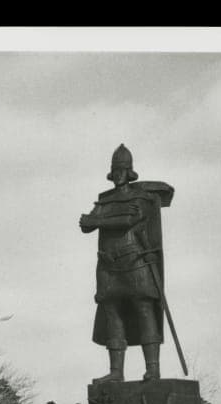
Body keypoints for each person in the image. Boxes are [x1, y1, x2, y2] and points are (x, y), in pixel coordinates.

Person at [79, 144, 174, 383]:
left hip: (135, 262)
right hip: (108, 266)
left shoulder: (140, 197)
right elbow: (85, 225)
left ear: (129, 171)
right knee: (112, 313)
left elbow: (130, 219)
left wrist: (98, 220)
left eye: (123, 169)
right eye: (116, 169)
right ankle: (116, 371)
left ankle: (152, 368)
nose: (119, 174)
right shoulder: (104, 199)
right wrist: (96, 220)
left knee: (144, 310)